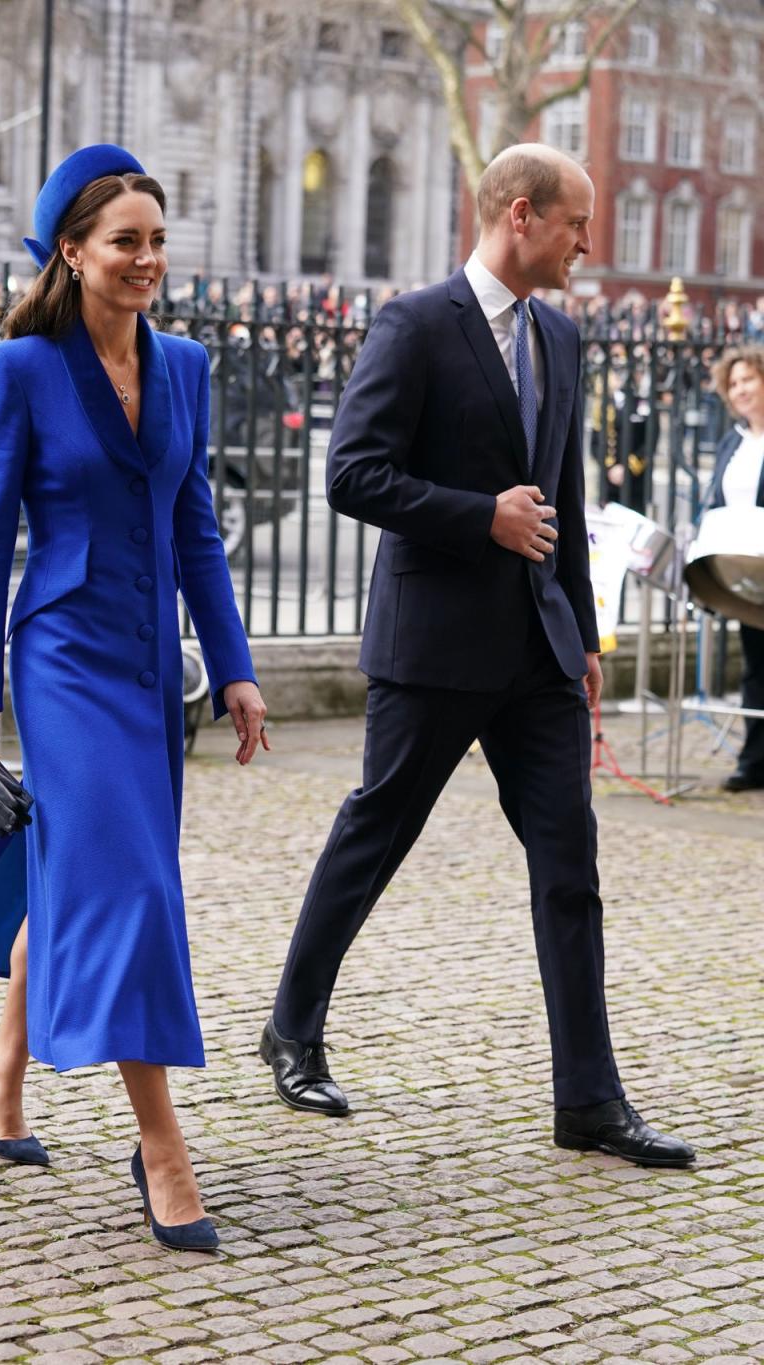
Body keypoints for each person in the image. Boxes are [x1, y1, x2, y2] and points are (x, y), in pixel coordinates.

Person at [260, 144, 695, 1170]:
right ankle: (291, 1027)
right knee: (378, 835)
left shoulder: (564, 336)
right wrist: (477, 520)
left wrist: (585, 634)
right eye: (577, 222)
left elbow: (566, 497)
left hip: (538, 652)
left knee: (570, 868)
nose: (589, 241)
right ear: (518, 213)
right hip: (435, 645)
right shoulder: (414, 325)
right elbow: (352, 475)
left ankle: (588, 1102)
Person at [0, 145, 269, 1252]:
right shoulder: (20, 370)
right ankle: (161, 1148)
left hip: (149, 664)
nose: (147, 260)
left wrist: (240, 667)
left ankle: (4, 1064)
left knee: (86, 870)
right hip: (62, 658)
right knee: (131, 891)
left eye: (158, 241)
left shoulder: (188, 369)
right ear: (71, 251)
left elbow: (196, 531)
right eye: (126, 241)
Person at [708, 346, 764, 792]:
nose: (741, 389)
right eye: (734, 383)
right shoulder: (734, 441)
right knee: (755, 666)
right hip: (747, 570)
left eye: (748, 379)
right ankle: (755, 761)